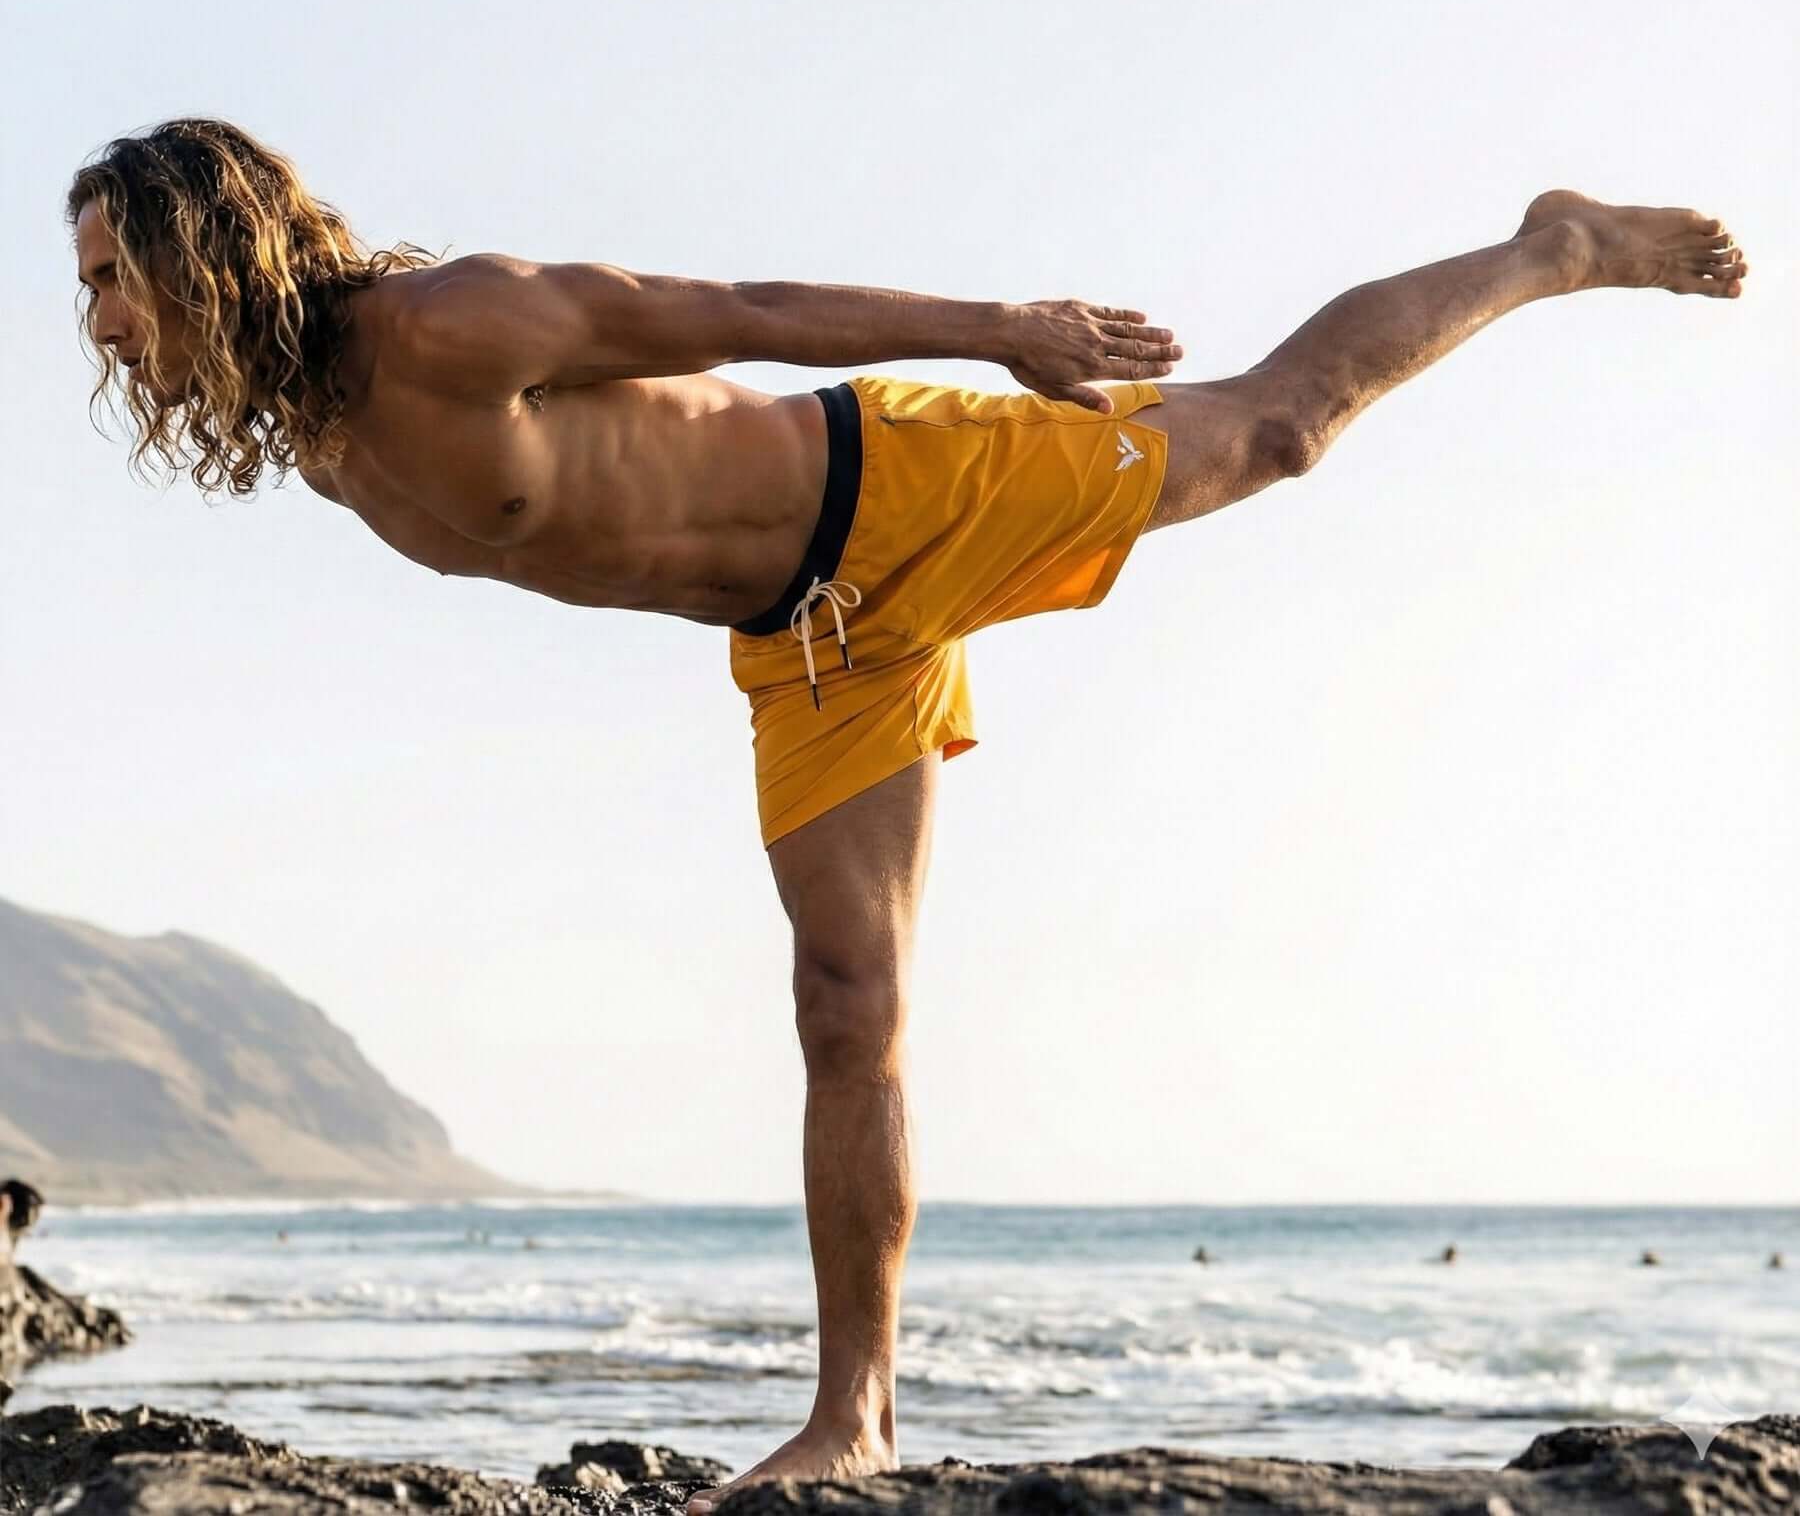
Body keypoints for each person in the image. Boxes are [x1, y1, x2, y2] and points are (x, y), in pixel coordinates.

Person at [65, 118, 1747, 1512]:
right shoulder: (312, 436)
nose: (97, 322)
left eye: (112, 278)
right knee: (845, 1007)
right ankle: (856, 1416)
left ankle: (1555, 249)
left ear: (203, 244)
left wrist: (999, 329)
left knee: (1277, 430)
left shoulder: (444, 325)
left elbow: (736, 305)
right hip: (812, 643)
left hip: (898, 488)